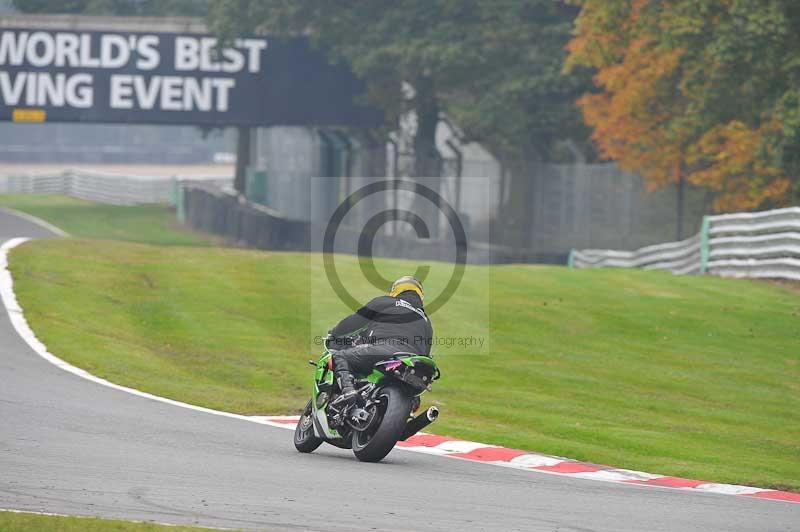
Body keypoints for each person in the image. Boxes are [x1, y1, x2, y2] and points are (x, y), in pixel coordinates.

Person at [326, 275, 433, 406]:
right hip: (415, 364)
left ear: (396, 290)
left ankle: (348, 391)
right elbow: (426, 352)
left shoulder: (385, 302)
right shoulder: (426, 321)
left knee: (340, 357)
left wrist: (335, 333)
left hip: (386, 350)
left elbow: (353, 322)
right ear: (420, 296)